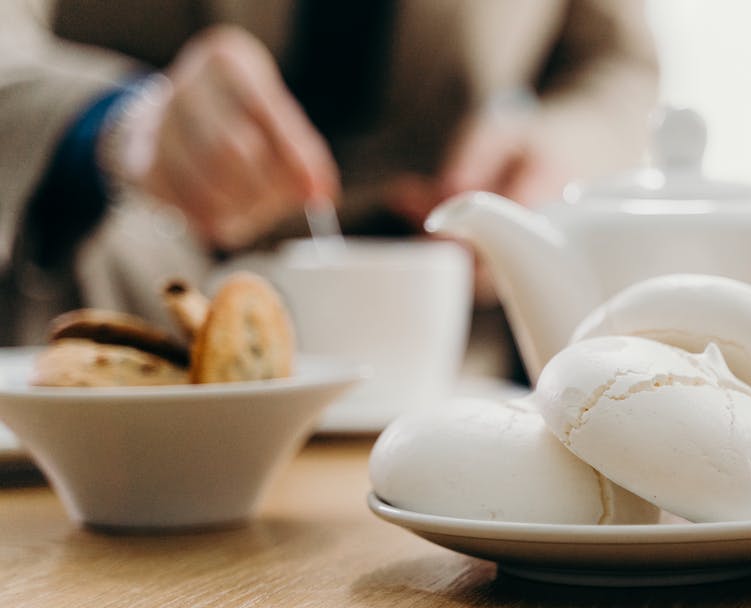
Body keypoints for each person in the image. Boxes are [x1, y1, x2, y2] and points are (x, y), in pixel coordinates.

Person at [0, 0, 659, 353]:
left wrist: (552, 157)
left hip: (448, 347)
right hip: (123, 310)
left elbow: (611, 60)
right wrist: (120, 124)